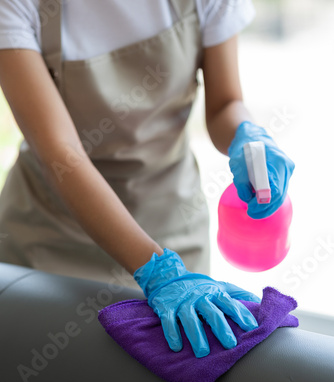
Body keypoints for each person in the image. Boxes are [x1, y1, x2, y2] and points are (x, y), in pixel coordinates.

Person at [0, 0, 294, 358]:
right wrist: (157, 269)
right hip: (52, 243)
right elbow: (63, 156)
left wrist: (246, 135)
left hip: (172, 230)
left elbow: (223, 105)